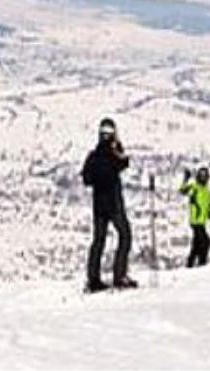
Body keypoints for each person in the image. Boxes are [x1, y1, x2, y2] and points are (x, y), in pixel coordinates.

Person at [81, 117, 136, 292]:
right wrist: (117, 150)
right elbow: (124, 162)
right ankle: (119, 276)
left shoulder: (94, 156)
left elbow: (86, 178)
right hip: (113, 204)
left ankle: (93, 279)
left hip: (99, 206)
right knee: (125, 236)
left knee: (98, 241)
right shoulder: (113, 154)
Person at [179, 166, 210, 267]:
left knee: (197, 244)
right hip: (195, 220)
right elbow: (182, 190)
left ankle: (191, 263)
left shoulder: (207, 191)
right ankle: (201, 262)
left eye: (205, 176)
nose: (203, 178)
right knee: (205, 241)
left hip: (202, 220)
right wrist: (185, 179)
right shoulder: (194, 187)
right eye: (201, 175)